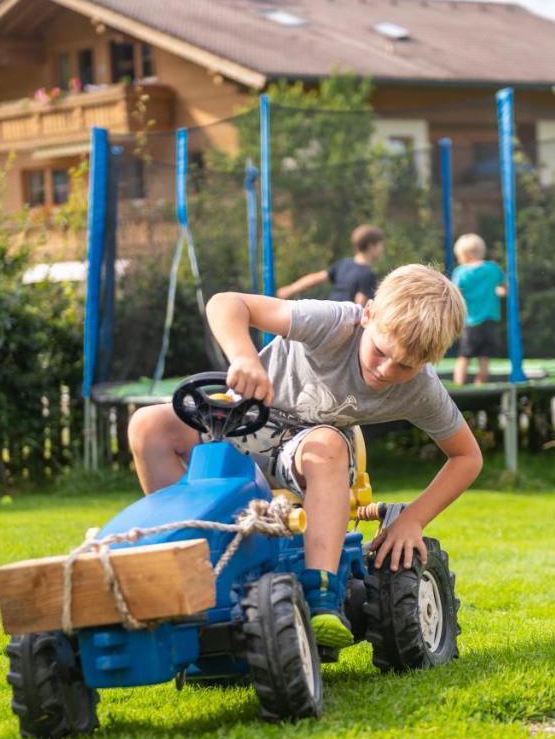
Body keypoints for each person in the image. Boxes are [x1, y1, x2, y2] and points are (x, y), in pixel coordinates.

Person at [127, 265, 483, 650]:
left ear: (427, 362)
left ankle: (321, 596)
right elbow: (227, 303)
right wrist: (244, 358)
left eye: (405, 366)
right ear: (368, 314)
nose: (385, 370)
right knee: (147, 425)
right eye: (380, 351)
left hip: (309, 451)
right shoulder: (332, 324)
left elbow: (467, 457)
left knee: (327, 444)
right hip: (245, 420)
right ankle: (182, 562)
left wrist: (412, 519)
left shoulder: (420, 389)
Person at [276, 224, 384, 306]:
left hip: (330, 312)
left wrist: (290, 289)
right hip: (345, 324)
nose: (382, 249)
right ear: (371, 246)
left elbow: (315, 278)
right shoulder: (368, 275)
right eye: (380, 245)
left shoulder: (344, 263)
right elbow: (360, 306)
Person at [450, 233, 507, 385]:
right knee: (484, 357)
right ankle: (480, 386)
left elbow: (456, 295)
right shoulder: (493, 269)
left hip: (471, 320)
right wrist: (494, 292)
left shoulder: (461, 272)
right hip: (490, 319)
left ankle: (458, 385)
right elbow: (503, 289)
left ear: (464, 255)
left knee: (464, 356)